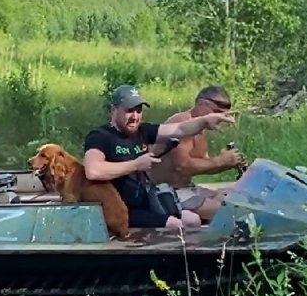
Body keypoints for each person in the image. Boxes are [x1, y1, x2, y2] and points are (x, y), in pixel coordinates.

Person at [83, 84, 236, 229]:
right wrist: (135, 165)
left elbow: (180, 129)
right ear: (114, 110)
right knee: (177, 225)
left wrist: (205, 121)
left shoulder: (143, 131)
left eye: (139, 110)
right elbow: (93, 170)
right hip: (121, 207)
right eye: (129, 110)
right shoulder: (101, 136)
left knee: (193, 220)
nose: (135, 116)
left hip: (146, 199)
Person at [147, 85, 246, 222]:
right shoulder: (183, 123)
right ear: (201, 104)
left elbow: (203, 164)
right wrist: (220, 161)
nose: (220, 118)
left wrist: (229, 162)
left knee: (231, 201)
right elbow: (182, 166)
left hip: (188, 188)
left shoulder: (201, 129)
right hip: (167, 191)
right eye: (216, 112)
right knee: (227, 212)